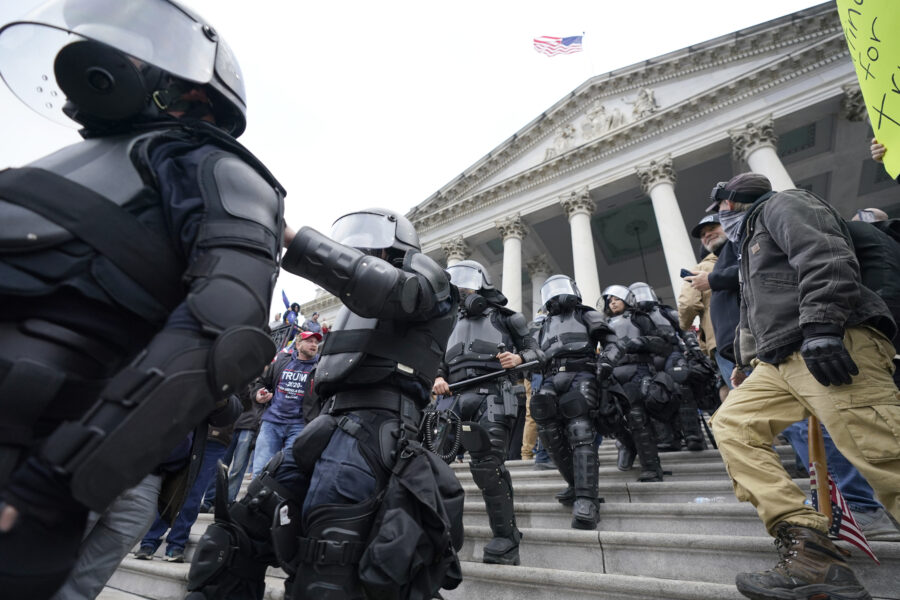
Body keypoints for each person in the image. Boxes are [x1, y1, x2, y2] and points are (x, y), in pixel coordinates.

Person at [0, 3, 284, 598]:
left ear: (194, 89)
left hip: (24, 453)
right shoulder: (61, 164)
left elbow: (226, 335)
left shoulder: (217, 170)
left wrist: (50, 485)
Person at [186, 208, 464, 600]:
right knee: (239, 532)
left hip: (374, 428)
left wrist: (293, 238)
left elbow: (383, 286)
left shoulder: (431, 286)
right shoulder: (356, 306)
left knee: (330, 553)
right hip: (327, 422)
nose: (361, 254)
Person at [706, 173, 900, 600]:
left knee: (882, 452)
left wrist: (823, 327)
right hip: (779, 359)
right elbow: (760, 308)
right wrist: (747, 360)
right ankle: (813, 552)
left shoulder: (783, 205)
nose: (720, 218)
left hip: (830, 340)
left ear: (735, 202)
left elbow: (825, 255)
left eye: (721, 208)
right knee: (733, 425)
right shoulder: (749, 242)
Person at [431, 260, 543, 565]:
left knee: (487, 467)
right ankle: (436, 536)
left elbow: (538, 352)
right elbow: (440, 360)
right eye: (458, 283)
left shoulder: (509, 319)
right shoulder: (449, 322)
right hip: (452, 400)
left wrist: (518, 357)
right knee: (431, 465)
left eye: (468, 282)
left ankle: (506, 537)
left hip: (492, 394)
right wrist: (439, 377)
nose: (462, 289)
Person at [532, 275, 620, 529]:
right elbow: (535, 352)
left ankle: (586, 498)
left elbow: (612, 343)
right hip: (550, 377)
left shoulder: (586, 314)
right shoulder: (545, 323)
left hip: (581, 371)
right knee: (547, 431)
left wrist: (606, 362)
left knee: (580, 431)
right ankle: (576, 484)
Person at [601, 285, 675, 480]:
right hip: (613, 375)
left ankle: (651, 467)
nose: (612, 302)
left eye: (616, 298)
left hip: (637, 370)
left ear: (627, 299)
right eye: (609, 300)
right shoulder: (605, 323)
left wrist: (640, 342)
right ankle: (628, 446)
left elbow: (662, 343)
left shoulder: (640, 318)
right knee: (610, 418)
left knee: (637, 418)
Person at [250, 330, 320, 476]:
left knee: (288, 472)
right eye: (309, 341)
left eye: (316, 342)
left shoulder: (321, 367)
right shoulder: (282, 360)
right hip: (271, 423)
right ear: (298, 344)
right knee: (260, 470)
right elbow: (262, 383)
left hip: (299, 427)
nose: (314, 344)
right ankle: (255, 498)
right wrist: (258, 395)